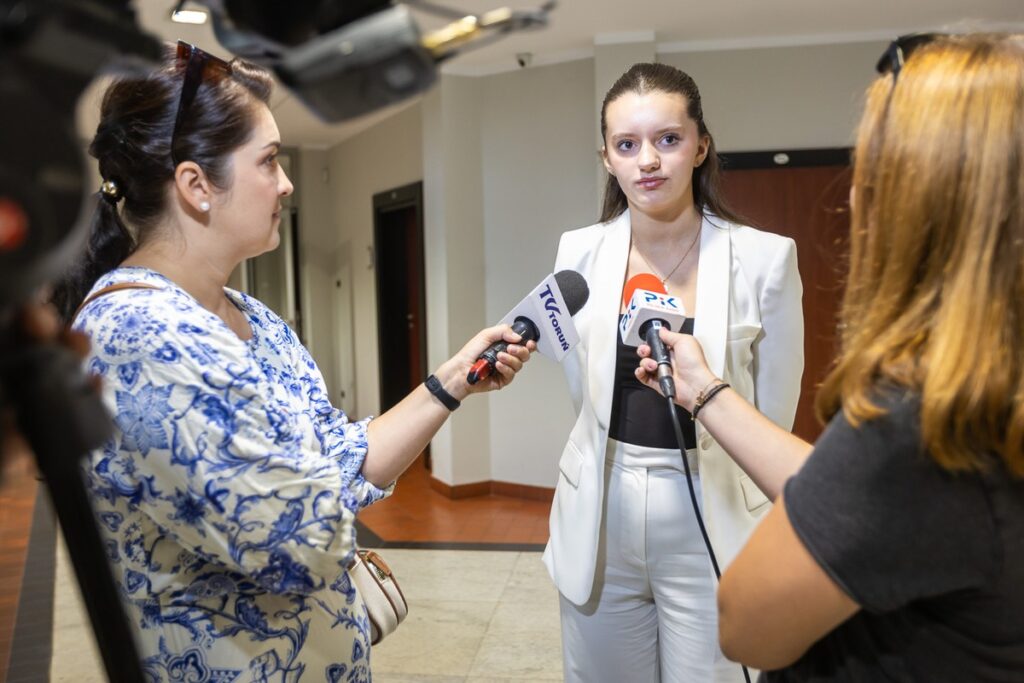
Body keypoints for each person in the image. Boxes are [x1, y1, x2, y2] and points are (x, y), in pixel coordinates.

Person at [51, 42, 533, 682]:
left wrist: (452, 383)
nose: (286, 182)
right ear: (196, 185)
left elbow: (339, 458)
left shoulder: (252, 315)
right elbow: (299, 545)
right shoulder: (141, 337)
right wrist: (319, 491)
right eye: (269, 161)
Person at [637, 33, 1024, 681]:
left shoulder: (924, 422)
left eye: (870, 173)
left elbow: (745, 625)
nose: (852, 198)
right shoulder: (989, 393)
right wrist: (703, 389)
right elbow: (854, 499)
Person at [543, 62, 804, 682]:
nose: (648, 161)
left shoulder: (765, 258)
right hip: (600, 512)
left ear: (700, 146)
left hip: (713, 507)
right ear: (606, 157)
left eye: (668, 139)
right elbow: (584, 393)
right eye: (626, 145)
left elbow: (773, 414)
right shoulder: (576, 252)